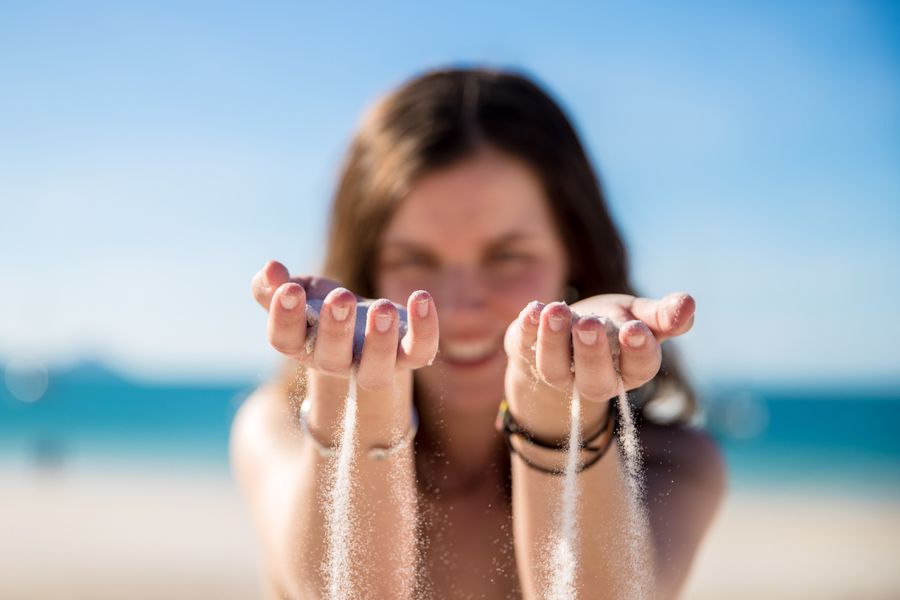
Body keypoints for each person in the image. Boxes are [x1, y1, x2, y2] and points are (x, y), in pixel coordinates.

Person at [231, 67, 726, 600]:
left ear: (576, 256)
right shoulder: (277, 430)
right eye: (414, 259)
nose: (460, 304)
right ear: (368, 270)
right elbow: (343, 592)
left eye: (507, 256)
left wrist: (554, 407)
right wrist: (358, 393)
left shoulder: (671, 465)